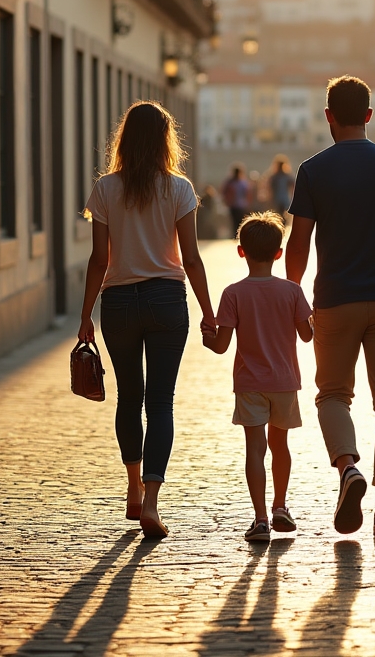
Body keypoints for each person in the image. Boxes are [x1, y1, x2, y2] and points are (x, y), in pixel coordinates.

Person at [285, 76, 375, 537]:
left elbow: (299, 243)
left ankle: (348, 468)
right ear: (369, 115)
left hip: (334, 301)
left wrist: (294, 294)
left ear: (328, 116)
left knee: (332, 394)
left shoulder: (313, 170)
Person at [78, 101, 216, 540]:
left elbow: (99, 259)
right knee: (160, 402)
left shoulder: (106, 189)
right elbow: (191, 259)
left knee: (128, 398)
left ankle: (133, 488)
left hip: (118, 302)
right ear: (164, 140)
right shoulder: (179, 189)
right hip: (166, 300)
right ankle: (152, 502)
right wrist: (209, 311)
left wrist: (85, 315)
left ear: (125, 139)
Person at [202, 211, 313, 542]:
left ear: (241, 251)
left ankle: (261, 519)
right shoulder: (292, 292)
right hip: (284, 381)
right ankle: (280, 506)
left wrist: (208, 337)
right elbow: (307, 336)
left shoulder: (233, 293)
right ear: (279, 253)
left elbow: (221, 346)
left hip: (249, 382)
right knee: (281, 445)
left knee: (255, 449)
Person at [220, 164, 253, 236]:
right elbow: (224, 192)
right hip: (235, 205)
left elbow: (247, 193)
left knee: (240, 220)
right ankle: (236, 234)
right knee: (235, 221)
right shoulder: (232, 183)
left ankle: (239, 234)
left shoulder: (242, 182)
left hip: (241, 205)